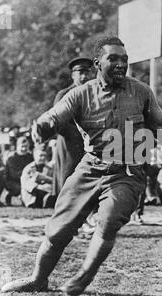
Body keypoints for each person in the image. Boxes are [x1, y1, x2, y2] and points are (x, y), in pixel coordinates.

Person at [1, 36, 162, 296]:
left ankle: (84, 276)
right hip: (90, 168)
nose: (121, 64)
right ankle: (38, 279)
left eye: (124, 60)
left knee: (107, 221)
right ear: (97, 63)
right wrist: (41, 127)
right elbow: (55, 115)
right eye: (113, 59)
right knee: (58, 230)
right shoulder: (81, 94)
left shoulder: (141, 92)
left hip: (127, 172)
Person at [51, 57, 94, 197]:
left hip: (88, 146)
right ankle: (64, 216)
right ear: (73, 75)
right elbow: (58, 123)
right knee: (67, 182)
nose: (84, 76)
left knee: (86, 182)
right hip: (69, 145)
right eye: (80, 73)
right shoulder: (64, 95)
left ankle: (84, 216)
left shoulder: (93, 95)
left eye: (87, 72)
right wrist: (81, 133)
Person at [4, 136, 34, 205]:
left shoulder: (30, 157)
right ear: (17, 146)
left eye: (26, 146)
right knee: (22, 188)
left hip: (26, 180)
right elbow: (14, 174)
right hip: (13, 181)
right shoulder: (11, 158)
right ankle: (10, 194)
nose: (24, 149)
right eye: (22, 146)